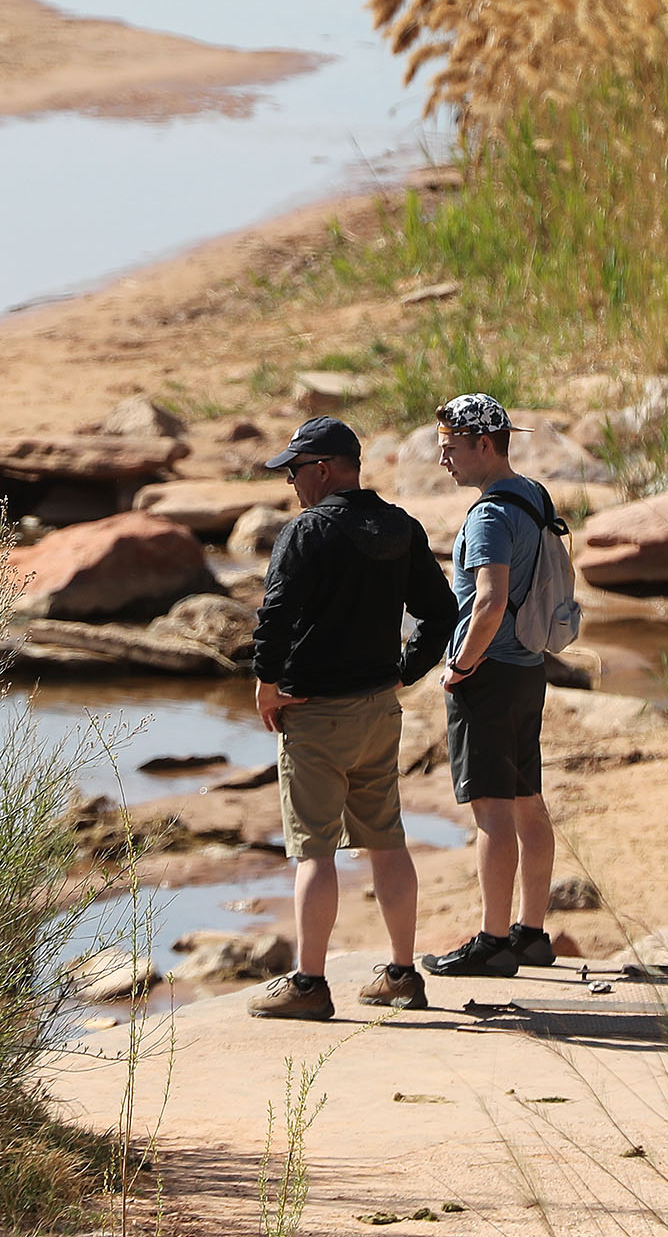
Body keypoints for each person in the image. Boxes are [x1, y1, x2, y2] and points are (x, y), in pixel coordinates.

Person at [245, 414, 463, 1020]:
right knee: (386, 840)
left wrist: (265, 684)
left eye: (294, 470)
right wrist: (402, 671)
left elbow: (277, 616)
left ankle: (309, 986)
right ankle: (401, 974)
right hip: (377, 709)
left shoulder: (307, 532)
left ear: (322, 469)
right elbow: (442, 613)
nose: (290, 482)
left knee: (314, 850)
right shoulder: (399, 526)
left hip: (313, 712)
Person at [419, 393, 560, 977]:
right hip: (528, 667)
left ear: (484, 444)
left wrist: (459, 667)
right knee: (527, 798)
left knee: (491, 810)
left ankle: (493, 942)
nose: (443, 459)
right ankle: (531, 932)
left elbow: (490, 600)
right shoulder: (533, 493)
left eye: (451, 448)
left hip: (491, 673)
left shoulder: (487, 516)